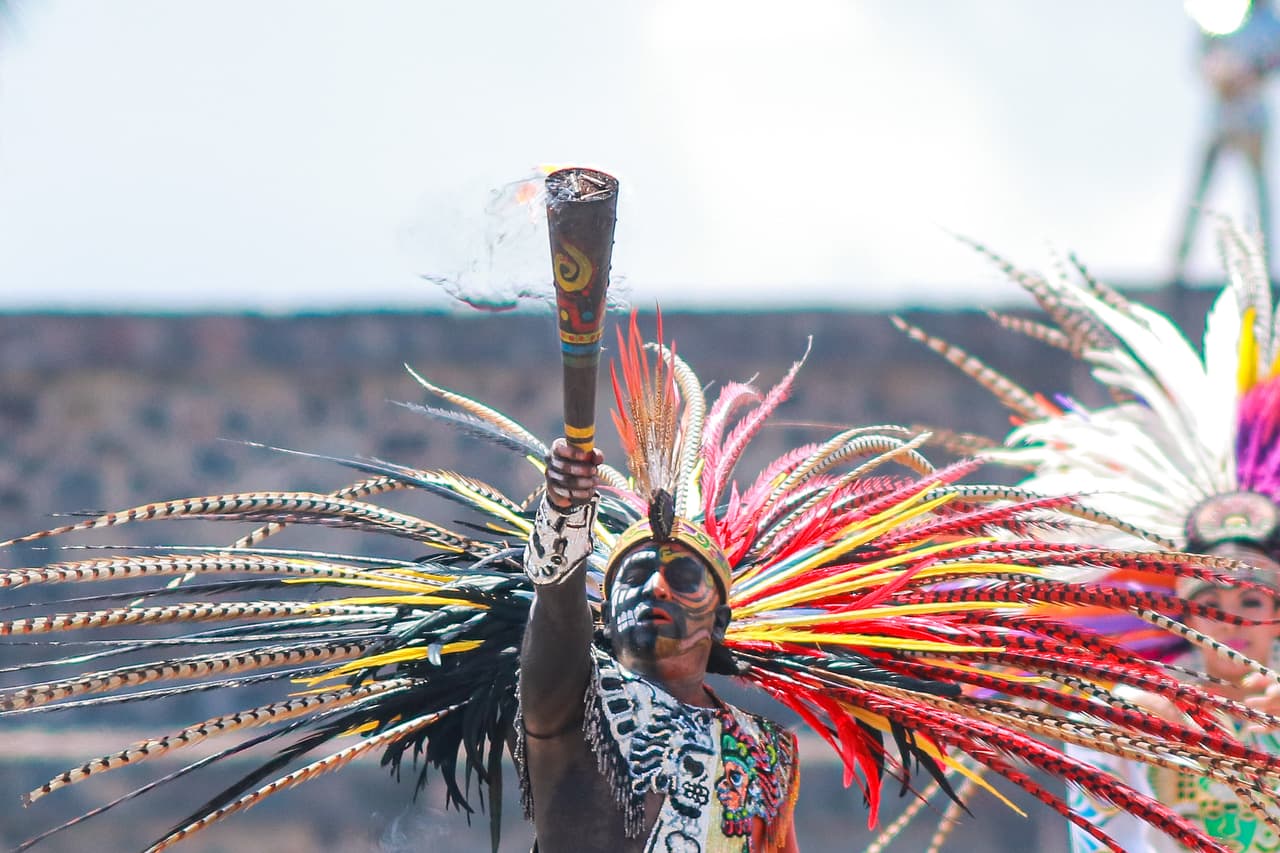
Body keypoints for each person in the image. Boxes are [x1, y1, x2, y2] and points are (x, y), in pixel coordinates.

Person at [898, 220, 1280, 852]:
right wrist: (1142, 724)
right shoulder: (1141, 705)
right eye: (1210, 606)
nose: (1231, 623)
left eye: (1251, 603)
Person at [1174, 0, 1280, 283]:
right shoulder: (1221, 16)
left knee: (1258, 195)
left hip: (1253, 119)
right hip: (1220, 118)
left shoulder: (1269, 23)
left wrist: (1252, 72)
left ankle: (1264, 268)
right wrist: (1220, 75)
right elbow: (1200, 57)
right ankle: (1179, 264)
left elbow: (1274, 60)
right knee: (1200, 190)